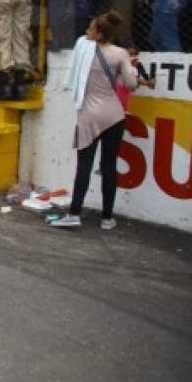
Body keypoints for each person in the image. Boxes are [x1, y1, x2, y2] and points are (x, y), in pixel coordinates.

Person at [53, 12, 141, 230]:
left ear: (99, 34)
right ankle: (107, 218)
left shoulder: (83, 49)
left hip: (88, 116)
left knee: (84, 166)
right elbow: (131, 85)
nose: (86, 32)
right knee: (109, 167)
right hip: (114, 116)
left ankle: (74, 214)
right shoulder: (120, 54)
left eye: (91, 29)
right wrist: (129, 69)